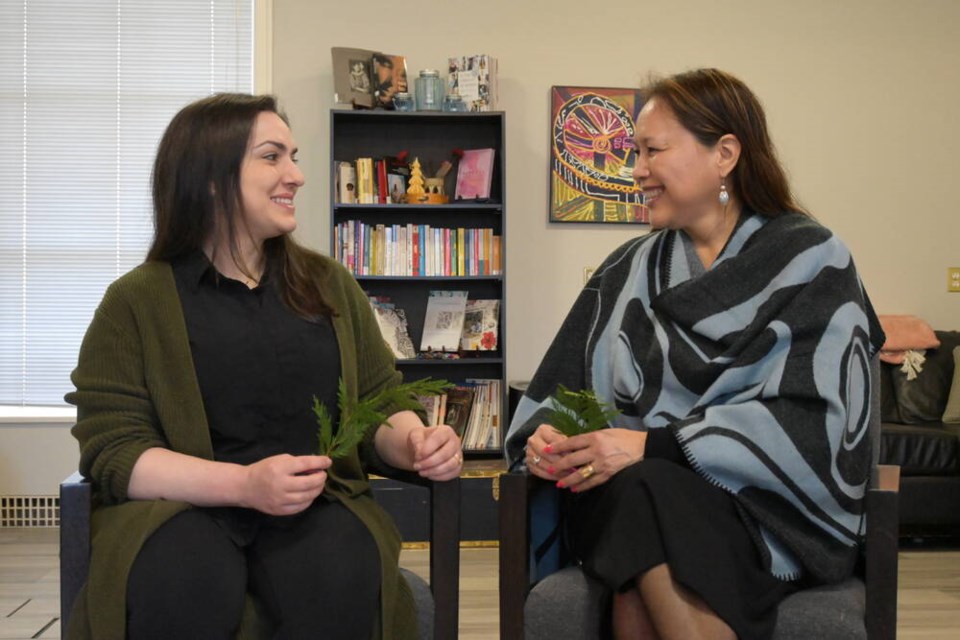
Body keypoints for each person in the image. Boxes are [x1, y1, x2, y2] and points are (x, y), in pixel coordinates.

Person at [65, 93, 463, 640]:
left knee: (338, 570)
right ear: (210, 177)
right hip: (178, 512)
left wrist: (417, 441)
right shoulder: (135, 302)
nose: (296, 175)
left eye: (293, 157)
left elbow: (378, 404)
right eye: (273, 157)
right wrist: (245, 485)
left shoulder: (329, 285)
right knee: (185, 581)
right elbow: (114, 450)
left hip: (315, 508)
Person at [505, 68, 884, 640]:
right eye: (635, 152)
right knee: (639, 493)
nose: (635, 171)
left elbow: (818, 422)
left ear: (725, 153)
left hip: (761, 506)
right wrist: (549, 441)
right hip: (627, 493)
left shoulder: (813, 261)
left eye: (652, 150)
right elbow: (562, 392)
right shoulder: (626, 270)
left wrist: (649, 445)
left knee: (642, 501)